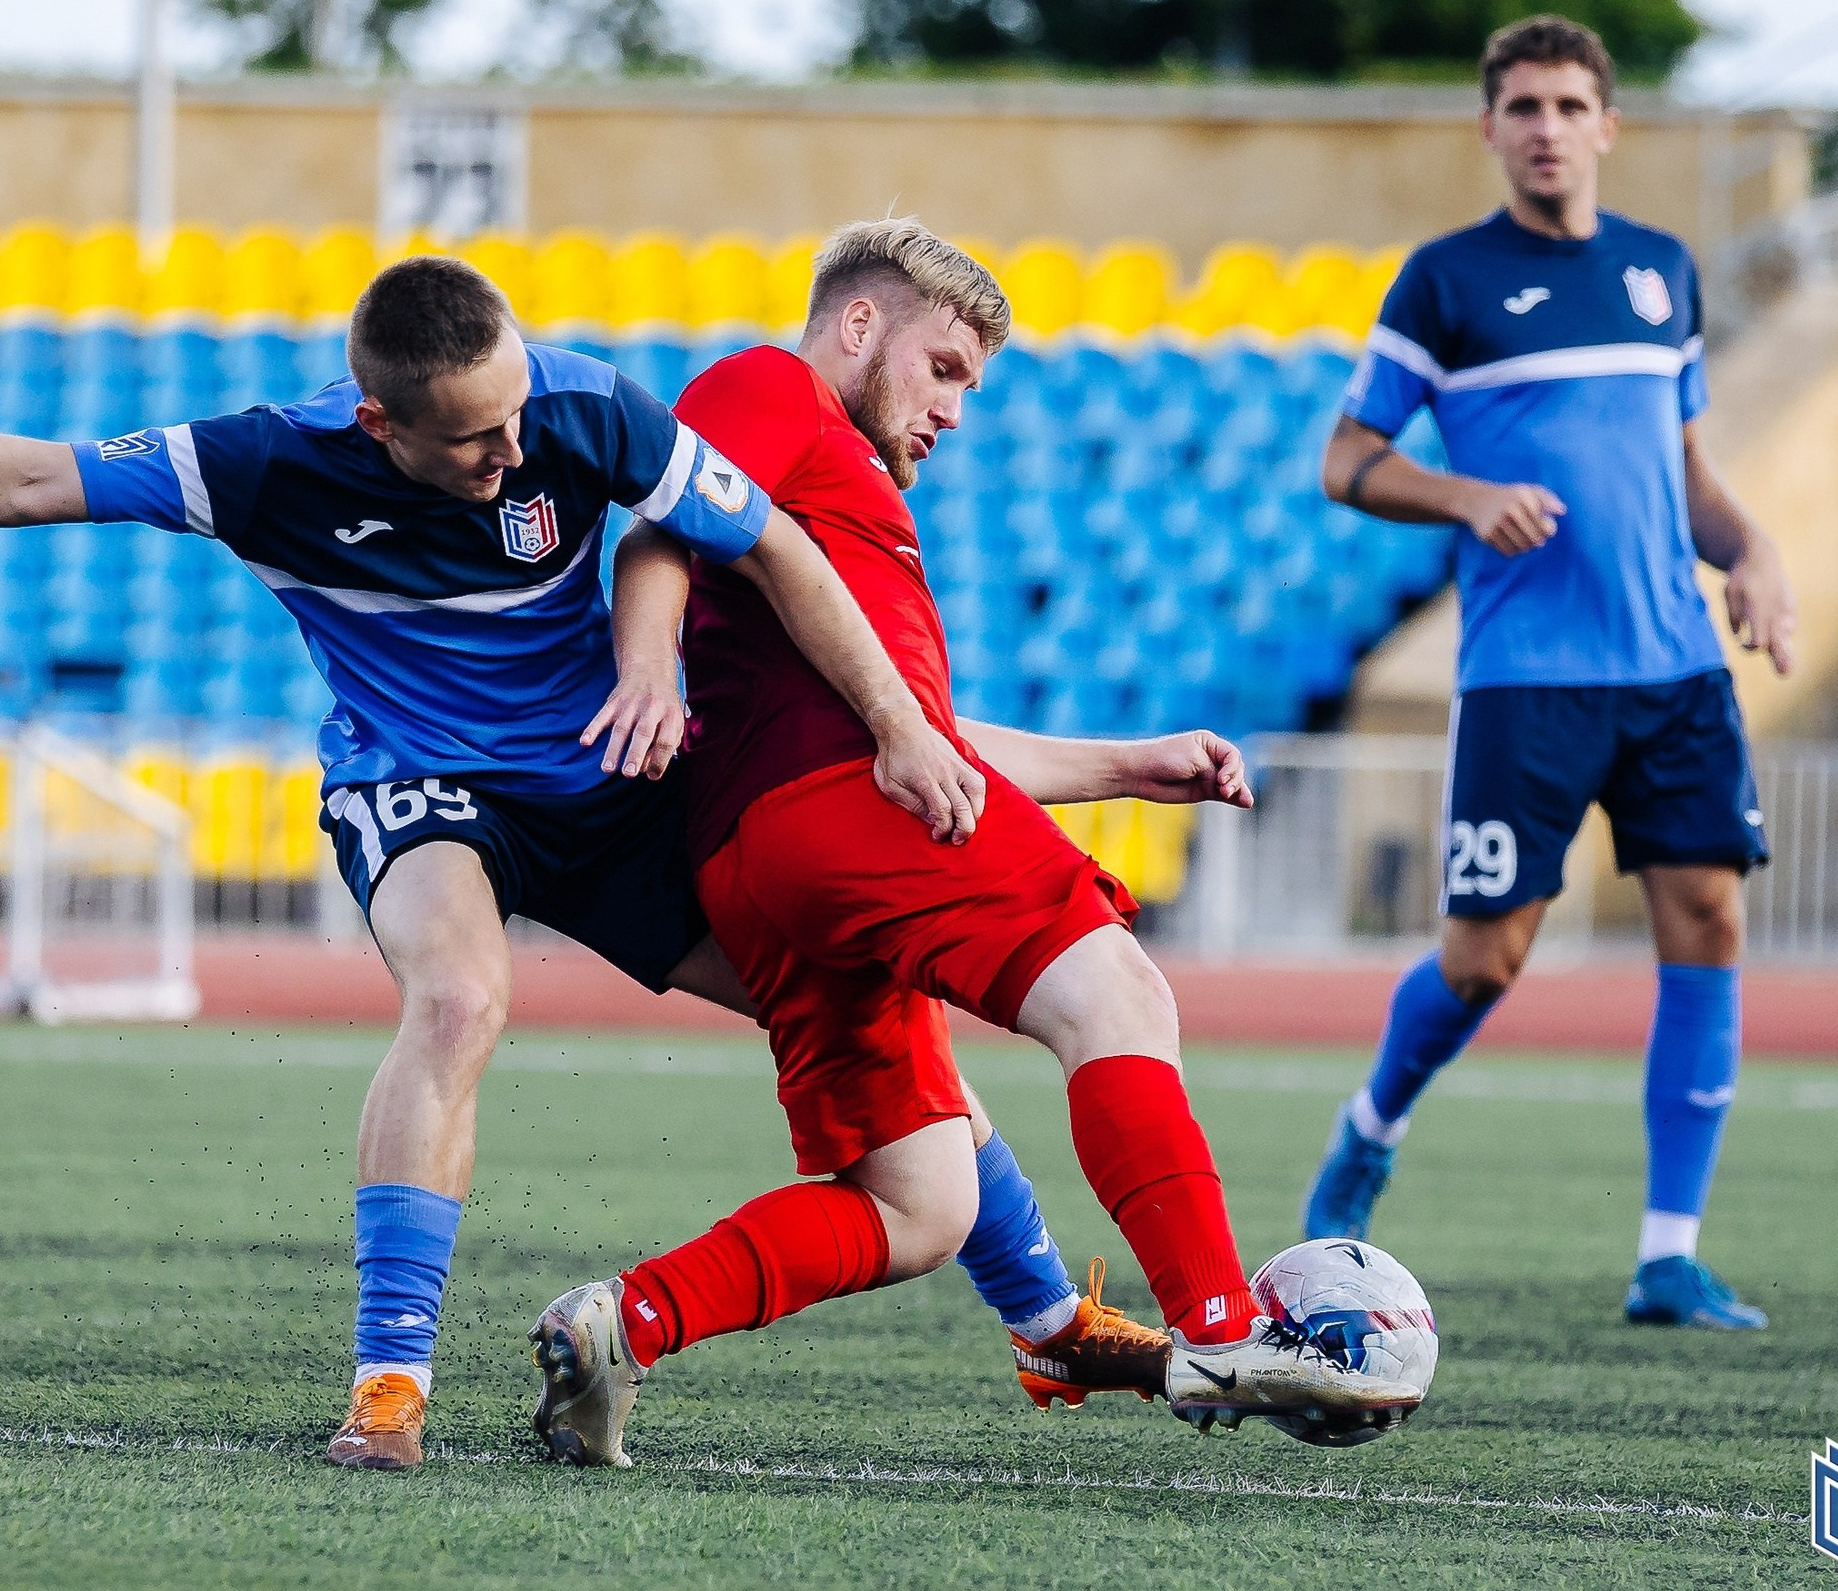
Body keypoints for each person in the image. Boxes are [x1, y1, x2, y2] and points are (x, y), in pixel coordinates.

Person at [0, 255, 997, 1471]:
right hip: (419, 785)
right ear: (380, 426)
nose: (512, 451)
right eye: (475, 439)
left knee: (861, 998)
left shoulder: (581, 404)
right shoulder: (270, 464)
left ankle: (1043, 1307)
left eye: (514, 415)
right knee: (459, 999)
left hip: (604, 795)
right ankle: (389, 1384)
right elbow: (33, 477)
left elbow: (768, 540)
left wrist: (893, 724)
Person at [527, 218, 1421, 1466]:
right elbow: (665, 525)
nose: (953, 407)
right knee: (1113, 987)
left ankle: (626, 1318)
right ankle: (1219, 1324)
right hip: (837, 808)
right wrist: (644, 672)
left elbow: (928, 738)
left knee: (922, 1201)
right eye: (942, 366)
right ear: (857, 324)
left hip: (771, 861)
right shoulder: (772, 385)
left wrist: (1123, 765)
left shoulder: (844, 499)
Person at [1298, 15, 1797, 1332]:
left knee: (1709, 919)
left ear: (1607, 124)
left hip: (1678, 669)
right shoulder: (1445, 281)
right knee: (1483, 960)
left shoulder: (1661, 273)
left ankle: (1668, 1258)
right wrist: (1466, 496)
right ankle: (1369, 1127)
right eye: (1522, 105)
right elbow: (1345, 460)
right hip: (1528, 679)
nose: (1547, 126)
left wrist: (1750, 552)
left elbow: (1682, 469)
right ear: (1491, 127)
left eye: (1571, 103)